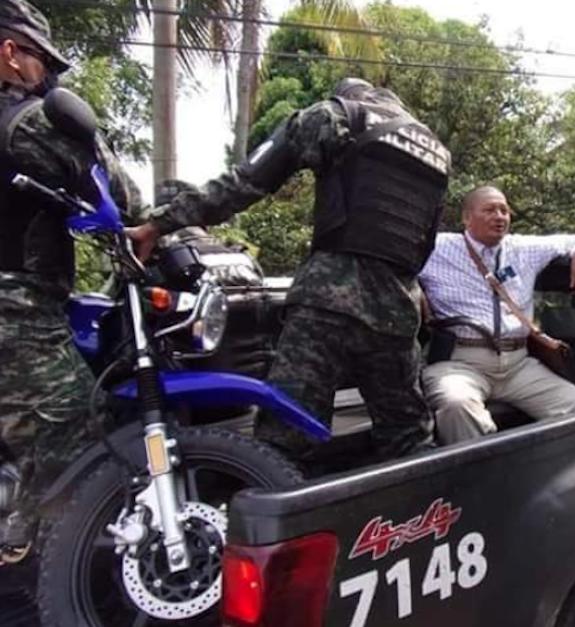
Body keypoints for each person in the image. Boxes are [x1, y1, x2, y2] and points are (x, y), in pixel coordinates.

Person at [127, 78, 451, 460]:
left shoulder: (337, 116)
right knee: (409, 435)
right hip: (397, 311)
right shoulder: (436, 152)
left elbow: (244, 183)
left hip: (327, 304)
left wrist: (158, 224)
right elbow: (423, 242)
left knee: (286, 434)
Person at [0, 0, 141, 554]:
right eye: (43, 61)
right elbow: (119, 193)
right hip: (16, 307)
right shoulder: (30, 122)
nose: (48, 76)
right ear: (11, 53)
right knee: (78, 422)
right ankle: (49, 559)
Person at [418, 186, 575, 444]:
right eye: (490, 210)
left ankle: (540, 464)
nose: (499, 216)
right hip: (460, 364)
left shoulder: (523, 248)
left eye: (504, 210)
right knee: (457, 404)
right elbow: (392, 258)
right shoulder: (437, 247)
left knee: (574, 403)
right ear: (467, 218)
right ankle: (479, 468)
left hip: (517, 365)